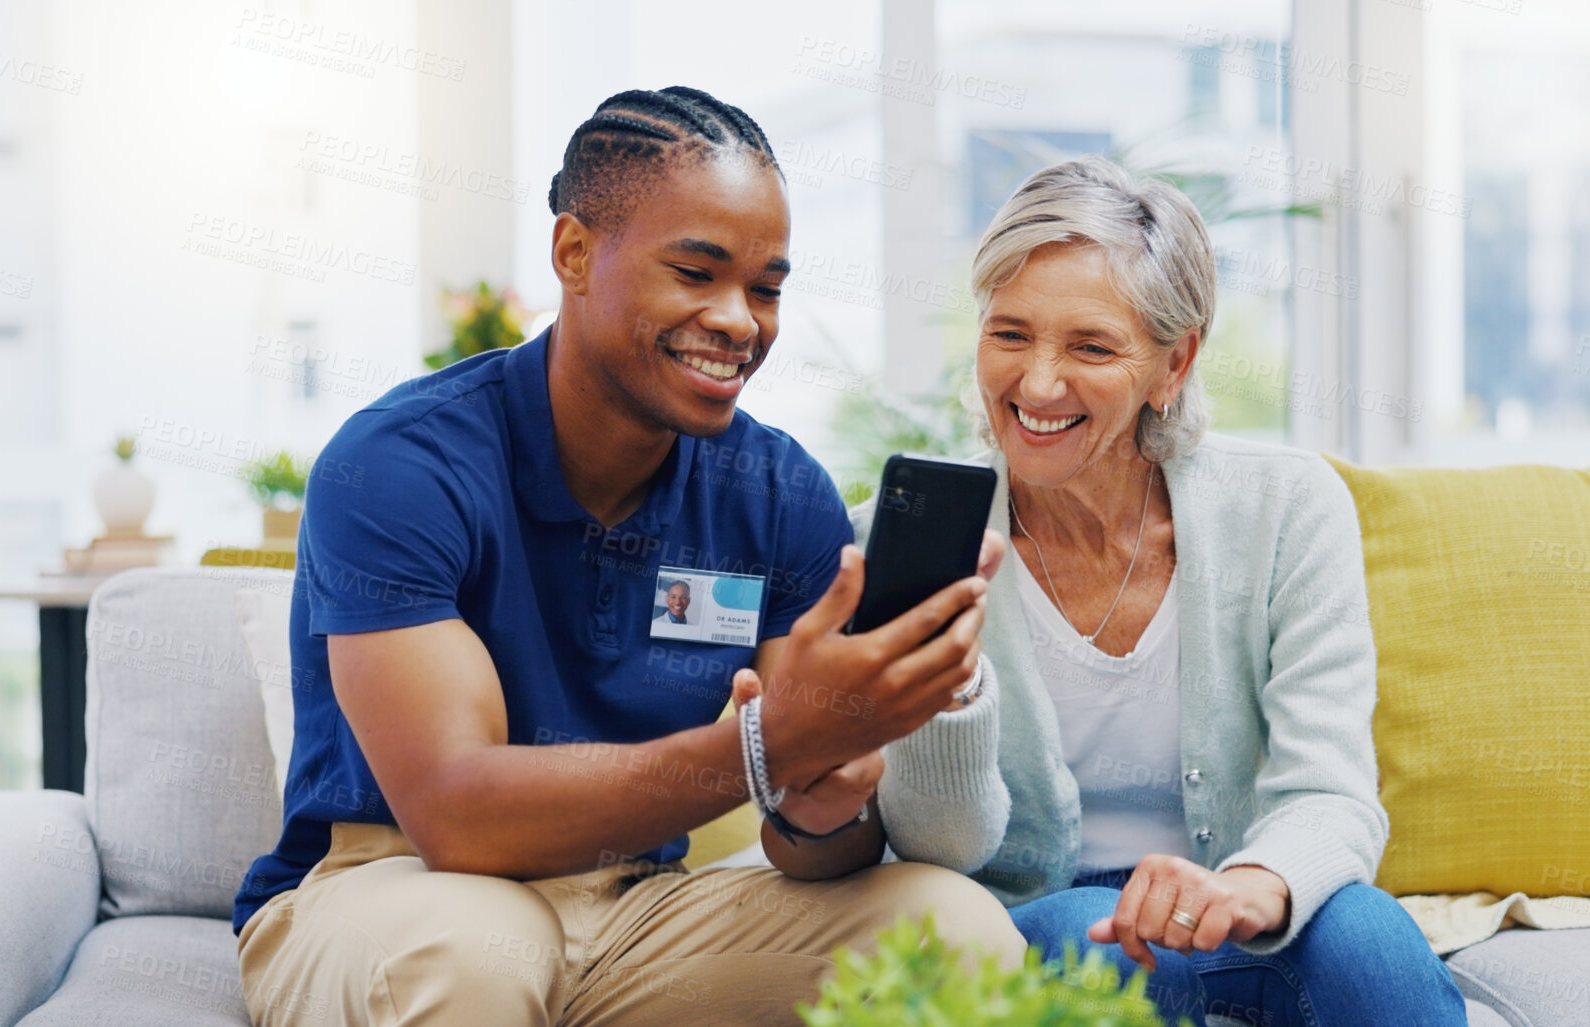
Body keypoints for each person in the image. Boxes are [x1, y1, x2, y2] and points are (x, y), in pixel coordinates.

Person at [232, 86, 1021, 1027]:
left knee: (955, 928)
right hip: (399, 883)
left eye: (766, 287)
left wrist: (823, 801)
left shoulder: (778, 492)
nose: (740, 321)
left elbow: (811, 847)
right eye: (696, 272)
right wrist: (769, 749)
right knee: (472, 952)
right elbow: (457, 811)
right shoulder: (400, 463)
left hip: (636, 903)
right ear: (573, 253)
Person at [865, 157, 1468, 1027]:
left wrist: (1252, 885)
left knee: (1366, 939)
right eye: (1009, 334)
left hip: (1240, 894)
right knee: (1083, 934)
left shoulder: (1287, 507)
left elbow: (1330, 790)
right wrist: (947, 695)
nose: (1036, 384)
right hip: (1040, 911)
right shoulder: (908, 539)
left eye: (1090, 346)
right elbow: (937, 849)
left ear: (1172, 362)